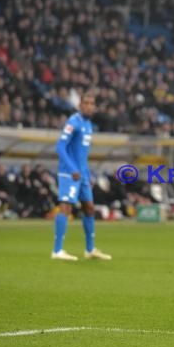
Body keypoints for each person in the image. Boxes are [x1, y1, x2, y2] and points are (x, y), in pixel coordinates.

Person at [52, 92, 112, 261]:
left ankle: (90, 250)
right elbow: (60, 147)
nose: (89, 106)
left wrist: (85, 172)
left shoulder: (88, 124)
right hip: (69, 172)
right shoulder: (73, 122)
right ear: (80, 105)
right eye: (85, 103)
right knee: (66, 207)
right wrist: (72, 169)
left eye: (92, 103)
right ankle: (57, 251)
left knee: (90, 208)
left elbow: (81, 152)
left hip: (82, 173)